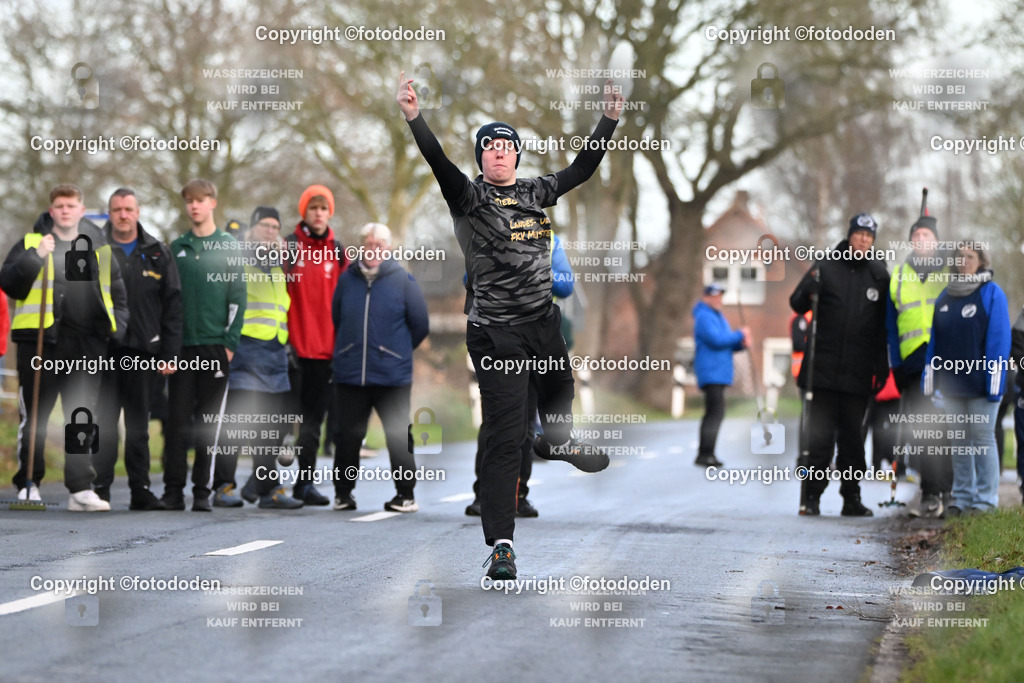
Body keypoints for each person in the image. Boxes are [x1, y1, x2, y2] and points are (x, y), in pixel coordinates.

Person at [398, 69, 622, 580]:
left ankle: (558, 442)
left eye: (507, 146)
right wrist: (416, 118)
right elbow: (438, 163)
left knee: (559, 397)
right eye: (489, 147)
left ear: (517, 156)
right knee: (504, 437)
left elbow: (582, 170)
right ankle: (501, 543)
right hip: (495, 333)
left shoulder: (536, 192)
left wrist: (608, 120)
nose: (498, 152)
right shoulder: (469, 199)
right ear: (480, 158)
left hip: (542, 324)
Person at [1, 184, 129, 511]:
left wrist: (117, 331)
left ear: (82, 210)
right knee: (36, 417)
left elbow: (118, 296)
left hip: (87, 345)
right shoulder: (31, 243)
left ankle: (80, 489)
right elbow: (10, 284)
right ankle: (29, 482)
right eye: (59, 205)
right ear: (51, 210)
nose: (65, 211)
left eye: (71, 205)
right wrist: (37, 256)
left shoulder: (99, 249)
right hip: (41, 344)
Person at [465, 234, 575, 517]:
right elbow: (468, 278)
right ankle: (484, 495)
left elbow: (566, 286)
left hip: (535, 340)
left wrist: (536, 271)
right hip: (496, 339)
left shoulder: (551, 241)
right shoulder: (486, 231)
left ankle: (519, 494)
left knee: (525, 422)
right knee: (497, 419)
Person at [790, 213, 889, 516]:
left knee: (852, 440)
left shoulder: (879, 274)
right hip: (821, 371)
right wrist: (810, 290)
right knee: (818, 439)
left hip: (858, 374)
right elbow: (797, 303)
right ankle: (811, 498)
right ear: (850, 236)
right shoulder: (825, 267)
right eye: (860, 235)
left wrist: (881, 368)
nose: (864, 240)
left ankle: (852, 498)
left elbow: (883, 327)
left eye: (869, 237)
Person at [92, 188, 182, 510]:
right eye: (117, 210)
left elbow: (172, 305)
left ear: (138, 212)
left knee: (138, 426)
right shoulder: (94, 249)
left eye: (128, 209)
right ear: (109, 213)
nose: (123, 215)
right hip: (104, 352)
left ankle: (140, 490)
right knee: (103, 423)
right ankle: (99, 489)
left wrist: (171, 353)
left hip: (144, 352)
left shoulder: (159, 252)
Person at [161, 179, 246, 511]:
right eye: (189, 201)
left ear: (213, 202)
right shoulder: (176, 248)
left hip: (214, 349)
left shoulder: (228, 247)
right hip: (181, 349)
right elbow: (166, 302)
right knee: (177, 423)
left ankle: (201, 492)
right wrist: (167, 348)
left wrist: (228, 343)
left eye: (201, 200)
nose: (194, 206)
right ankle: (172, 491)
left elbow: (238, 298)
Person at [331, 223, 429, 511]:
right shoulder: (346, 280)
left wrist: (395, 352)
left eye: (379, 244)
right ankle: (343, 494)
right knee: (347, 435)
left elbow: (420, 325)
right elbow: (337, 318)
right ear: (361, 245)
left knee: (398, 434)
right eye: (368, 243)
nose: (373, 248)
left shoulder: (404, 280)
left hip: (392, 376)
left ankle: (406, 495)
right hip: (350, 374)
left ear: (388, 248)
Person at [212, 207, 303, 509]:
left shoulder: (277, 265)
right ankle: (224, 486)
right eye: (265, 225)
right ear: (252, 229)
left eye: (276, 227)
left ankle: (268, 489)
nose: (270, 231)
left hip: (275, 353)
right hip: (245, 351)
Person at [923, 243, 1010, 515]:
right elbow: (934, 343)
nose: (964, 260)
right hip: (952, 386)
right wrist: (932, 381)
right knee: (959, 440)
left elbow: (999, 341)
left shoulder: (992, 293)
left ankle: (985, 501)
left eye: (970, 256)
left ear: (982, 261)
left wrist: (994, 384)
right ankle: (961, 498)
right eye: (959, 256)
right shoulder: (945, 296)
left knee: (982, 438)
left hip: (982, 386)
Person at [887, 191, 952, 518]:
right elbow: (889, 324)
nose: (920, 239)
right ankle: (930, 493)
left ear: (936, 242)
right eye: (916, 235)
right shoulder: (898, 275)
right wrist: (895, 365)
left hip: (944, 365)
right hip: (912, 365)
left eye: (926, 234)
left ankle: (947, 490)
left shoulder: (949, 271)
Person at [284, 185, 349, 506]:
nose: (319, 213)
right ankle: (265, 484)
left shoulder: (338, 252)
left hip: (326, 354)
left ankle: (304, 484)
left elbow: (348, 302)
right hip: (292, 351)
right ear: (304, 212)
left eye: (324, 208)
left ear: (330, 212)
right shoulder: (289, 248)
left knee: (312, 424)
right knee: (282, 420)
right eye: (313, 208)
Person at [692, 283, 750, 468]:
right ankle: (705, 453)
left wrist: (741, 343)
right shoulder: (704, 316)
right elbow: (716, 340)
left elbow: (727, 343)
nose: (718, 300)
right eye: (715, 296)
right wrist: (739, 333)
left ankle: (708, 453)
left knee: (715, 412)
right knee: (715, 412)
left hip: (720, 371)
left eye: (720, 296)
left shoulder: (719, 317)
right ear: (706, 297)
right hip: (711, 371)